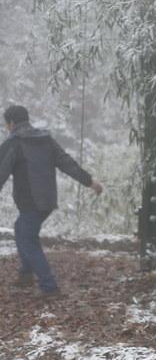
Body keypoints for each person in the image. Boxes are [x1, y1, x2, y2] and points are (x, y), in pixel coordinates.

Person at [0, 105, 103, 297]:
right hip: (47, 201)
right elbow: (67, 163)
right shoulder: (45, 140)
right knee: (21, 229)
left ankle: (49, 286)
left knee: (27, 238)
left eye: (6, 124)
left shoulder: (14, 143)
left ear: (11, 123)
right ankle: (26, 274)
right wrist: (90, 181)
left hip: (30, 202)